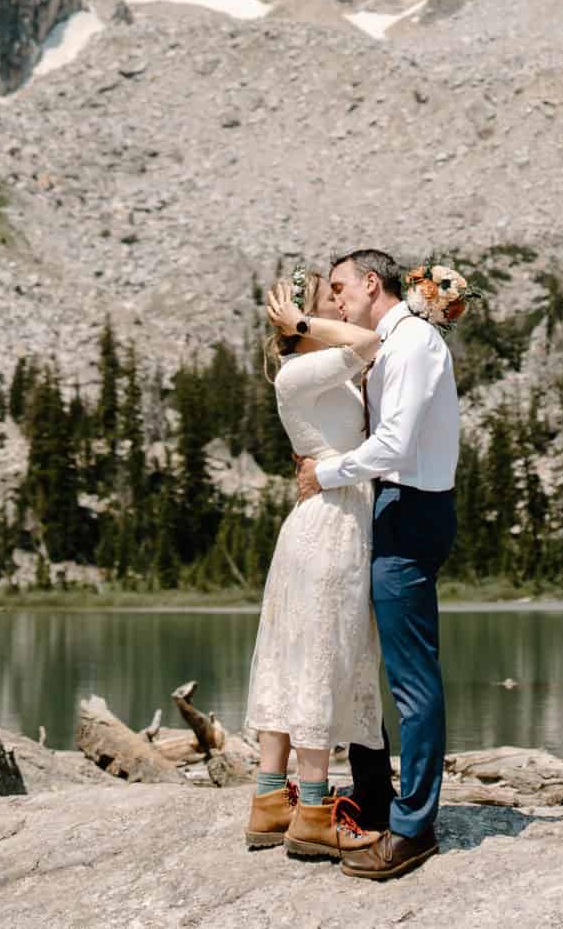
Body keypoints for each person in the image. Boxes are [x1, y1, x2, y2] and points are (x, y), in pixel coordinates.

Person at [270, 248, 464, 883]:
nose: (338, 297)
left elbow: (395, 444)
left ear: (370, 283)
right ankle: (378, 802)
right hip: (393, 508)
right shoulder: (393, 341)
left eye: (343, 287)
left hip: (410, 512)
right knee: (364, 659)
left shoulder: (409, 345)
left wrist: (322, 473)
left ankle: (415, 830)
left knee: (411, 677)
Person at [239, 270, 386, 861]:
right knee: (320, 655)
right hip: (331, 524)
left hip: (322, 518)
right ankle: (317, 813)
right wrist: (302, 324)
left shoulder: (316, 372)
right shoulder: (305, 367)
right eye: (331, 301)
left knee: (291, 654)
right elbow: (373, 340)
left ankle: (271, 800)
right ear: (300, 319)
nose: (343, 308)